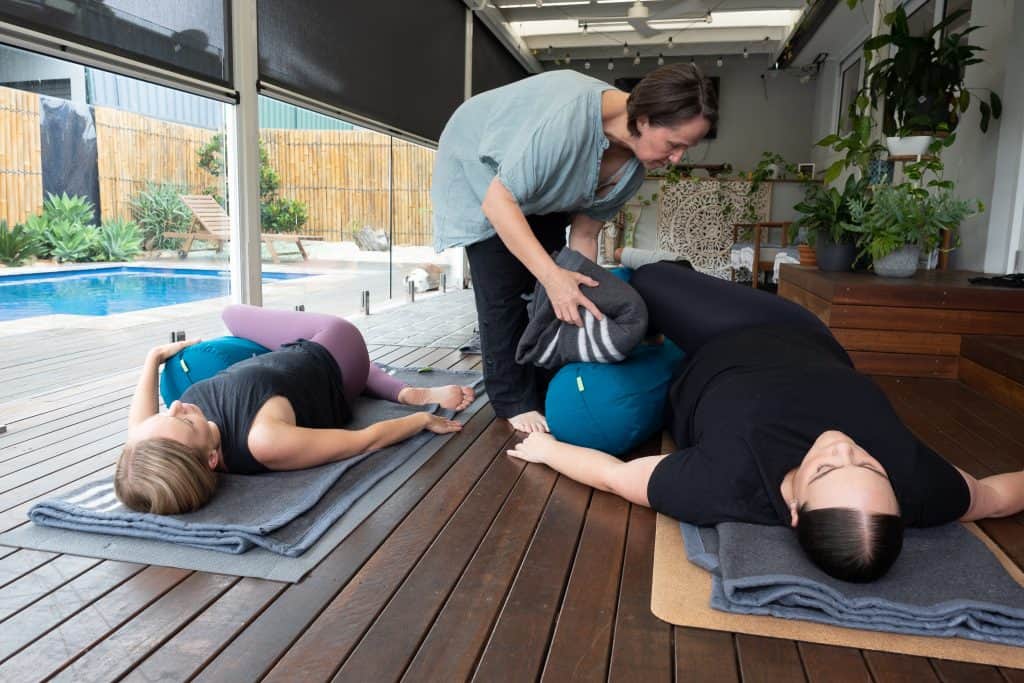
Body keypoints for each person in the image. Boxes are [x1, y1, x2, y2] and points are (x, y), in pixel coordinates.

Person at [508, 262, 1024, 582]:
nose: (843, 447)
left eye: (826, 471)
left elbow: (616, 477)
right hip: (791, 331)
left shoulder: (726, 482)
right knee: (654, 278)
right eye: (870, 466)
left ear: (795, 510)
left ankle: (650, 340)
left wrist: (545, 451)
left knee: (584, 411)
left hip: (712, 353)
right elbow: (997, 497)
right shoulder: (921, 487)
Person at [432, 64, 717, 433]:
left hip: (538, 189)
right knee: (504, 285)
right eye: (674, 144)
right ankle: (511, 399)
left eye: (686, 149)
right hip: (481, 165)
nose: (677, 159)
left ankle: (543, 379)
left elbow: (582, 238)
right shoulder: (568, 123)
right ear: (643, 119)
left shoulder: (632, 172)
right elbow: (499, 202)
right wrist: (553, 279)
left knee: (549, 281)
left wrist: (573, 290)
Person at [116, 305, 475, 515]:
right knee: (232, 313)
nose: (177, 405)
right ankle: (405, 394)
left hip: (288, 367)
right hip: (337, 350)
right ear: (212, 460)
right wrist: (421, 419)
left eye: (166, 414)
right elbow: (363, 440)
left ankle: (395, 386)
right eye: (183, 420)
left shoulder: (169, 443)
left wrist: (152, 359)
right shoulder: (265, 440)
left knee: (245, 345)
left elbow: (140, 428)